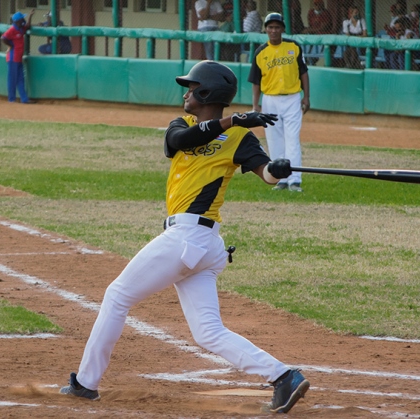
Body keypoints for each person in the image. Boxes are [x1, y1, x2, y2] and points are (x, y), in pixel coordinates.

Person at [58, 59, 310, 415]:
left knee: (116, 296)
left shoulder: (241, 137)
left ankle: (85, 384)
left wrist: (276, 169)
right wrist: (232, 119)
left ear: (206, 92)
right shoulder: (183, 125)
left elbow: (265, 174)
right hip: (196, 245)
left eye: (191, 88)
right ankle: (283, 376)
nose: (186, 93)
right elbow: (179, 141)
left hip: (191, 238)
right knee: (207, 332)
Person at [248, 13, 309, 192]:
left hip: (292, 98)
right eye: (270, 27)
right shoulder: (260, 52)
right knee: (274, 140)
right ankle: (280, 179)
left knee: (292, 139)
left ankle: (295, 180)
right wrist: (255, 105)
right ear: (266, 29)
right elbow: (256, 82)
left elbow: (304, 73)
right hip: (270, 100)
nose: (273, 30)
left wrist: (306, 96)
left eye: (277, 27)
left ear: (282, 29)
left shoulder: (293, 47)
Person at [1, 11, 34, 104]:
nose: (23, 20)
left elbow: (28, 26)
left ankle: (24, 99)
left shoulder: (20, 28)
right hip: (12, 58)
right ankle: (11, 99)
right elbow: (3, 38)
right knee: (12, 79)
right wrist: (10, 46)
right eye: (21, 19)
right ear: (17, 21)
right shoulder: (12, 29)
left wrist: (30, 16)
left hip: (18, 58)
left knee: (20, 79)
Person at [341, 4, 367, 69]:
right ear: (351, 14)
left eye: (358, 12)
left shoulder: (362, 21)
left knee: (353, 50)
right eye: (355, 13)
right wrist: (354, 39)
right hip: (352, 43)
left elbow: (365, 35)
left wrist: (357, 38)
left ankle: (352, 66)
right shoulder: (346, 23)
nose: (357, 14)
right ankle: (349, 65)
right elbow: (347, 35)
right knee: (346, 53)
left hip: (361, 42)